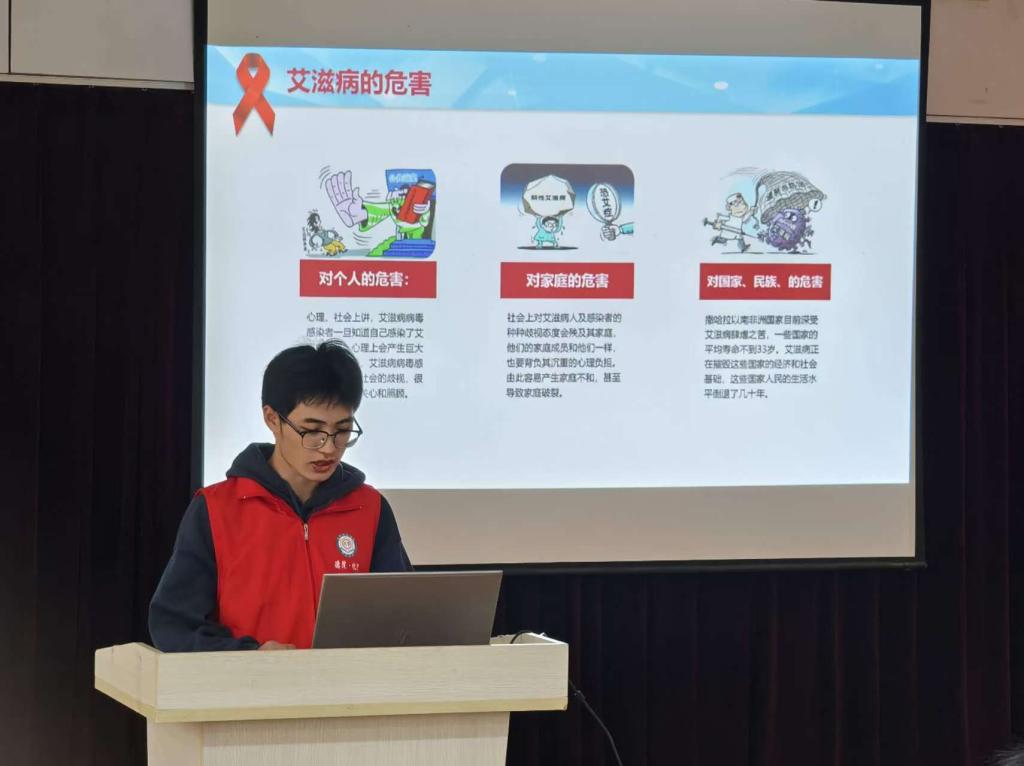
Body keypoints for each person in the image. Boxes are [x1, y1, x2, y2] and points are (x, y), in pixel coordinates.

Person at [149, 341, 412, 652]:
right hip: (250, 682)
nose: (329, 448)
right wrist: (250, 657)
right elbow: (175, 625)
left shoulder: (369, 508)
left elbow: (404, 617)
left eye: (342, 430)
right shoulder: (216, 509)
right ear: (272, 419)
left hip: (350, 682)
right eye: (312, 431)